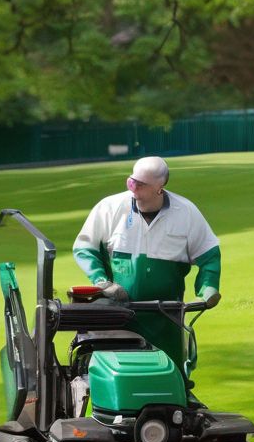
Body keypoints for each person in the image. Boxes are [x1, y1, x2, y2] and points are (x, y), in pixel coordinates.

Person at [72, 156, 221, 377]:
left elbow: (209, 255)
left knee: (171, 375)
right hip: (119, 314)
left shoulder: (186, 212)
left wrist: (208, 289)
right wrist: (102, 282)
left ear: (159, 189)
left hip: (166, 316)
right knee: (120, 376)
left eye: (140, 185)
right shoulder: (110, 208)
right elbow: (84, 247)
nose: (134, 190)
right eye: (131, 182)